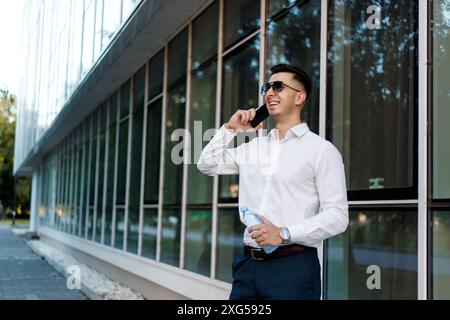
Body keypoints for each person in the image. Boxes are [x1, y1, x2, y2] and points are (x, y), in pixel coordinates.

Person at [197, 64, 349, 300]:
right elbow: (206, 164)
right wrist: (229, 129)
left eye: (278, 87)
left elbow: (338, 216)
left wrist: (284, 233)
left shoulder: (321, 151)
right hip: (248, 267)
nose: (269, 93)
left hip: (294, 268)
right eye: (267, 87)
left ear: (300, 96)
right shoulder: (253, 148)